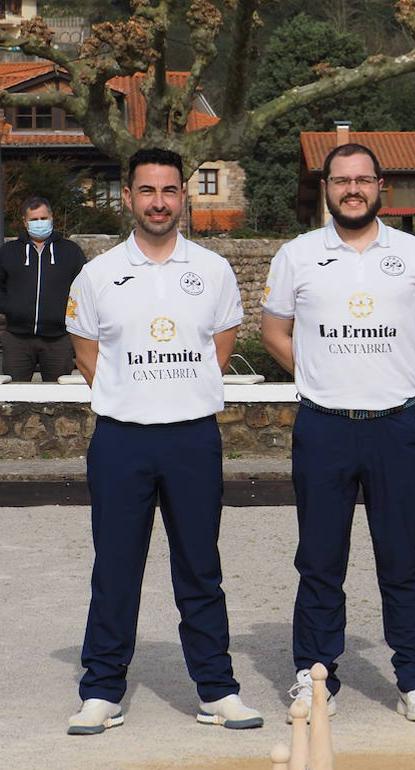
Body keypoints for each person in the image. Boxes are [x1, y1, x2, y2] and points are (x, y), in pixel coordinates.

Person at [64, 148, 261, 734]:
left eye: (169, 191)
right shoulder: (98, 274)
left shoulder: (213, 270)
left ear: (183, 197)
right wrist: (132, 397)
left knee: (200, 568)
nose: (158, 202)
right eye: (147, 191)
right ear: (128, 197)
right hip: (121, 440)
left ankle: (217, 689)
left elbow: (222, 339)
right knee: (116, 568)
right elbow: (84, 349)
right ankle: (101, 689)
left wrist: (178, 392)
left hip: (192, 438)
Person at [261, 143, 415, 722]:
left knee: (403, 560)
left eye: (362, 179)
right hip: (323, 426)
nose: (352, 189)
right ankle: (315, 676)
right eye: (341, 180)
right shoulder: (296, 256)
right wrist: (322, 376)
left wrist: (388, 377)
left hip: (395, 425)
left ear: (380, 187)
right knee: (319, 560)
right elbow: (274, 333)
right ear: (326, 187)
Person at [0, 196, 87, 381]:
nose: (39, 223)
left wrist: (69, 317)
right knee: (13, 396)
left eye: (43, 218)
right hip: (16, 338)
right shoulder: (8, 252)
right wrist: (10, 308)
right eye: (33, 219)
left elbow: (84, 290)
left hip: (59, 339)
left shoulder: (71, 252)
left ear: (51, 217)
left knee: (60, 396)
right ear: (25, 222)